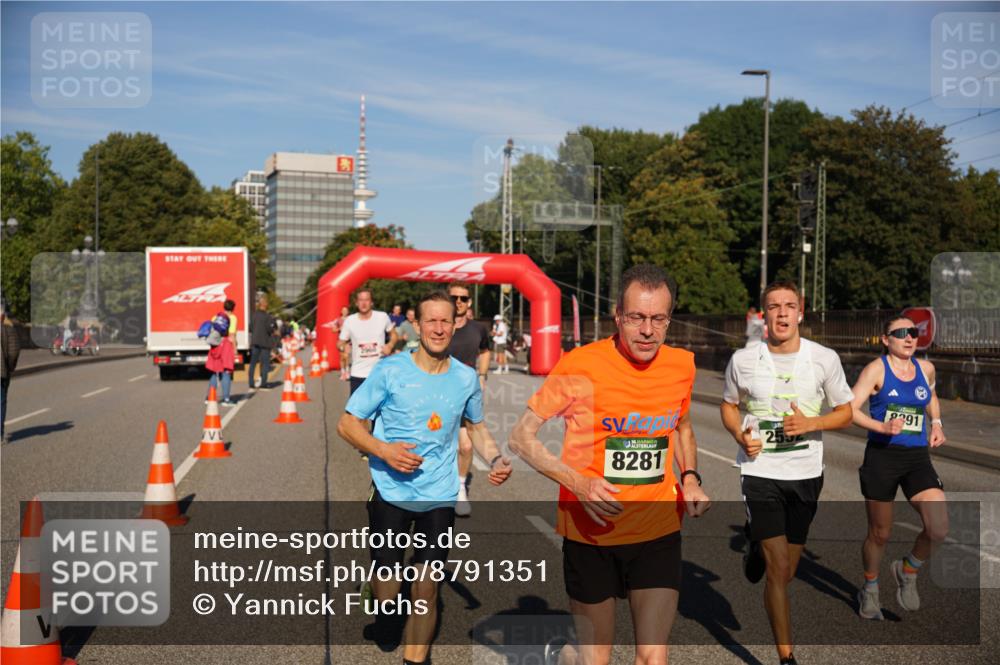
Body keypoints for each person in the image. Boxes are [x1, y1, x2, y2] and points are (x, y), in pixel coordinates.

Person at [510, 264, 711, 665]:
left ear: (670, 320)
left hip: (657, 528)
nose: (647, 331)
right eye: (637, 318)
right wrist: (577, 483)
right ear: (618, 316)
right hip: (592, 533)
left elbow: (683, 427)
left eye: (658, 319)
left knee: (654, 658)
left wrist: (689, 477)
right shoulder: (580, 365)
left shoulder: (681, 366)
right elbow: (520, 438)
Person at [337, 290, 512, 665]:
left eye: (444, 320)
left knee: (426, 588)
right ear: (416, 324)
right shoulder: (390, 370)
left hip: (439, 493)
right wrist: (384, 450)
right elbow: (347, 423)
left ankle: (414, 661)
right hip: (389, 490)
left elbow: (476, 428)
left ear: (455, 323)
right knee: (390, 589)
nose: (438, 328)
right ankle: (383, 599)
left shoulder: (465, 379)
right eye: (430, 320)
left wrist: (496, 457)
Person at [720, 280, 854, 665]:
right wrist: (738, 434)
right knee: (779, 569)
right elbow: (730, 406)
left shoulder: (823, 359)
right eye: (774, 306)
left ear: (801, 311)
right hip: (760, 470)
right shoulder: (744, 360)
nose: (782, 313)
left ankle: (754, 549)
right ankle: (786, 657)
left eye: (789, 305)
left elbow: (845, 411)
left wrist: (813, 424)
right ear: (764, 314)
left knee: (788, 569)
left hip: (806, 472)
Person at [850, 316, 948, 621]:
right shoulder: (876, 369)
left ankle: (908, 570)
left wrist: (937, 423)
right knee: (880, 533)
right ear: (885, 339)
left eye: (914, 333)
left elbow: (930, 396)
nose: (909, 338)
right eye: (901, 333)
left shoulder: (926, 368)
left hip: (917, 458)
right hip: (882, 457)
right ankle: (870, 587)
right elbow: (849, 409)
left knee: (939, 528)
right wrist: (881, 425)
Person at [444, 281, 491, 517]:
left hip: (466, 395)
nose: (458, 302)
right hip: (436, 395)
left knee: (466, 444)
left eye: (463, 298)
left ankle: (460, 488)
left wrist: (482, 375)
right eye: (454, 298)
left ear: (469, 302)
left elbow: (485, 350)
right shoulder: (441, 327)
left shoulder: (478, 329)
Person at [339, 289, 397, 398]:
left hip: (379, 374)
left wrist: (390, 345)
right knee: (355, 414)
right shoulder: (350, 321)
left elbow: (394, 334)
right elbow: (340, 342)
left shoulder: (382, 317)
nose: (364, 303)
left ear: (371, 302)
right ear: (356, 303)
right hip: (358, 374)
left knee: (380, 412)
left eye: (367, 300)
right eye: (361, 300)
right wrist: (343, 347)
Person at [206, 299, 237, 406]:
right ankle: (226, 399)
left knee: (213, 371)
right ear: (233, 308)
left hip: (214, 346)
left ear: (224, 307)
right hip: (226, 345)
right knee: (226, 371)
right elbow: (231, 335)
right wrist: (235, 350)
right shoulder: (232, 318)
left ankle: (210, 397)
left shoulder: (215, 317)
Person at [2, 300, 21, 445]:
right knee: (1, 402)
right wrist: (9, 367)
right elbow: (14, 352)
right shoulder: (9, 330)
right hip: (2, 372)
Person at [248, 294, 277, 392]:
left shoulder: (253, 315)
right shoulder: (268, 317)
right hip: (265, 343)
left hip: (255, 342)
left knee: (253, 363)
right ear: (265, 305)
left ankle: (251, 383)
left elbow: (250, 328)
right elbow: (270, 329)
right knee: (265, 364)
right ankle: (263, 383)